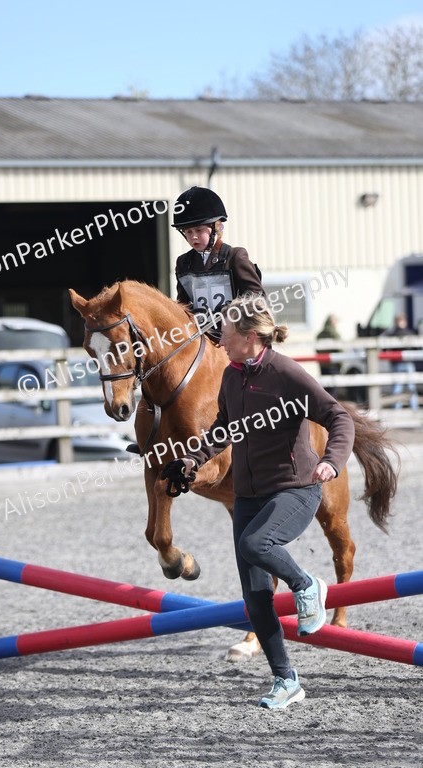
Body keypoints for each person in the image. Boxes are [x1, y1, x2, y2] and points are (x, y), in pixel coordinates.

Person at [161, 295, 355, 709]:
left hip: (295, 489)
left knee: (255, 545)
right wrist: (191, 461)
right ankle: (287, 681)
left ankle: (308, 585)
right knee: (254, 597)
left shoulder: (286, 373)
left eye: (225, 335)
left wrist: (331, 462)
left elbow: (338, 417)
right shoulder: (232, 377)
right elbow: (222, 429)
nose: (219, 341)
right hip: (249, 495)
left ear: (249, 337)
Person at [172, 186, 264, 338]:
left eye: (199, 230)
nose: (193, 237)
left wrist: (233, 315)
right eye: (188, 232)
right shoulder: (183, 262)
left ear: (216, 227)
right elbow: (183, 306)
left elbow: (256, 298)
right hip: (201, 336)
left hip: (236, 334)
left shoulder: (235, 256)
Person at [386, 314, 419, 411]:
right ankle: (414, 409)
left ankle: (396, 409)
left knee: (397, 388)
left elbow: (385, 349)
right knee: (411, 387)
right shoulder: (410, 333)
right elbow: (416, 348)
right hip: (407, 362)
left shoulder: (391, 334)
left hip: (396, 363)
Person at [316, 314, 342, 398]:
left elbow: (317, 349)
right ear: (332, 321)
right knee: (332, 390)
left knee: (325, 388)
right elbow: (340, 349)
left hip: (323, 365)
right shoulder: (334, 334)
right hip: (332, 365)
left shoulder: (320, 334)